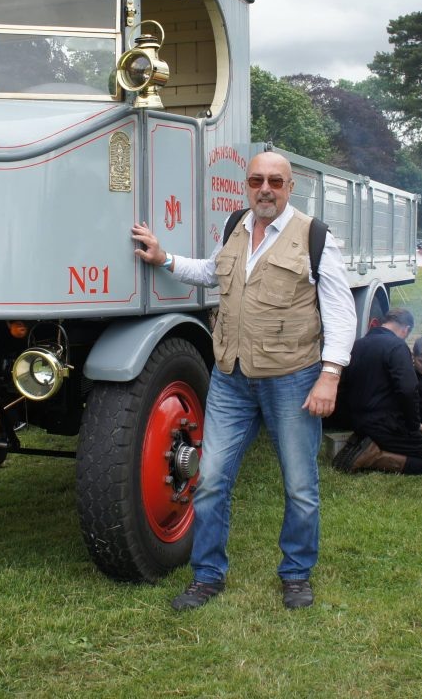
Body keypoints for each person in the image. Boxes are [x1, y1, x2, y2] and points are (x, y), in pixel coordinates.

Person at [132, 150, 356, 612]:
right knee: (210, 479)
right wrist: (164, 257)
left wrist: (329, 375)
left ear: (291, 187)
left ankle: (295, 574)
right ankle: (207, 576)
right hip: (231, 380)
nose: (265, 189)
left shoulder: (314, 237)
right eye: (256, 181)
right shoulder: (236, 225)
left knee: (299, 485)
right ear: (246, 185)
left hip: (292, 380)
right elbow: (211, 273)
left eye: (275, 181)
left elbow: (339, 311)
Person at [332, 309, 422, 475]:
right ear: (406, 329)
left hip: (357, 422)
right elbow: (408, 390)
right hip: (385, 425)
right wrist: (414, 425)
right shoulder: (397, 346)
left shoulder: (358, 344)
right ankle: (373, 457)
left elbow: (343, 386)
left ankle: (366, 444)